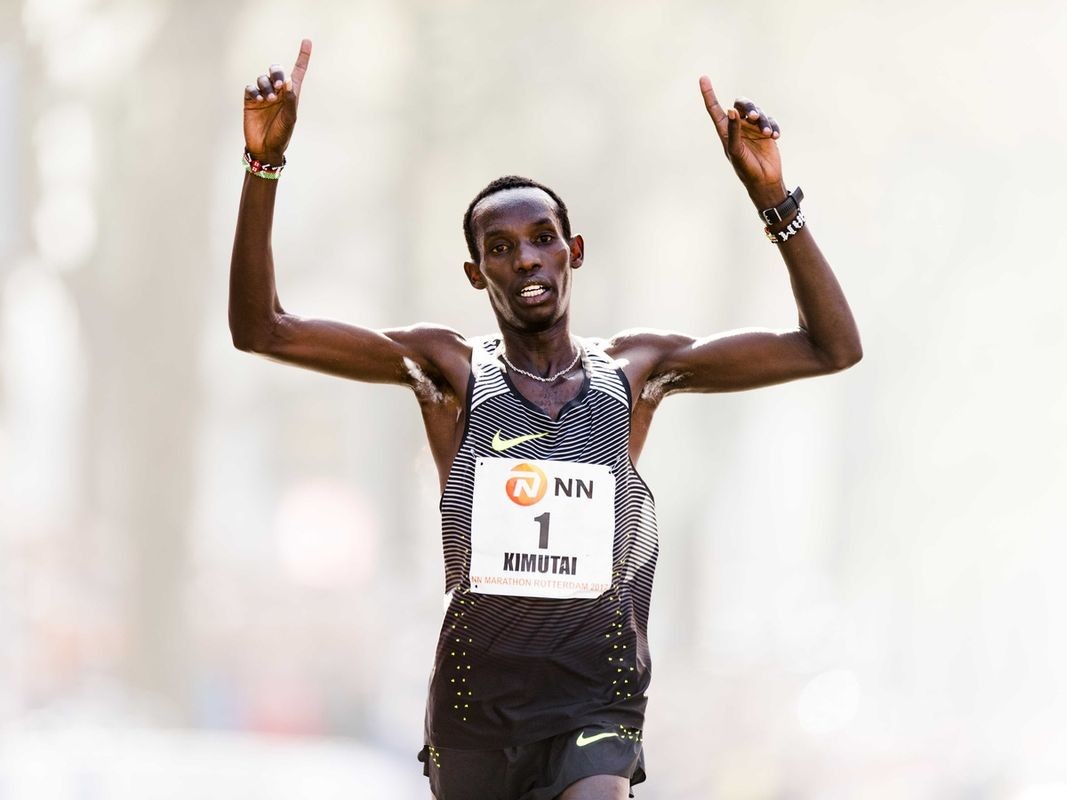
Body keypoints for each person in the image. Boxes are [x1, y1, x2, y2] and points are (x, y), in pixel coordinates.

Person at [230, 38, 861, 800]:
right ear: (476, 274)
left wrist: (773, 200)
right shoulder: (448, 373)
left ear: (573, 251)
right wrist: (264, 166)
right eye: (500, 248)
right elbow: (262, 329)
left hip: (594, 700)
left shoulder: (636, 373)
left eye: (541, 239)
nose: (525, 259)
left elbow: (830, 348)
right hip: (476, 706)